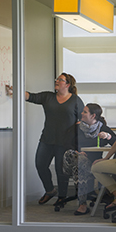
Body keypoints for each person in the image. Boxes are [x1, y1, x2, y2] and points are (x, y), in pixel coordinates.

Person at [24, 73, 84, 206]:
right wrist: (15, 90)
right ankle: (50, 190)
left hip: (65, 142)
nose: (57, 81)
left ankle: (62, 197)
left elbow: (83, 119)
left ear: (67, 85)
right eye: (57, 79)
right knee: (40, 165)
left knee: (60, 170)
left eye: (60, 80)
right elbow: (30, 96)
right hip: (47, 139)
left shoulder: (75, 100)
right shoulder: (48, 97)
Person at [62, 103, 116, 215]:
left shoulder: (103, 128)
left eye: (85, 112)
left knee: (80, 167)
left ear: (93, 116)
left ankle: (82, 204)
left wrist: (108, 136)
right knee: (77, 159)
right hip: (71, 162)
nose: (82, 114)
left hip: (92, 164)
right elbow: (66, 144)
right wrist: (78, 152)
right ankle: (83, 203)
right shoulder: (76, 128)